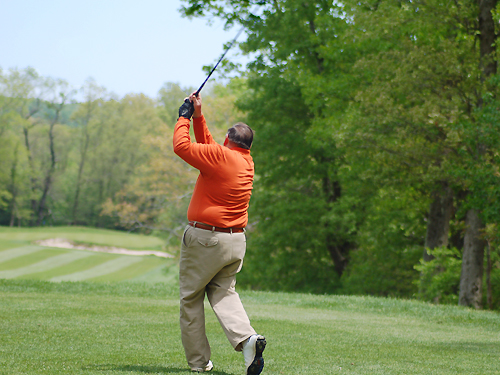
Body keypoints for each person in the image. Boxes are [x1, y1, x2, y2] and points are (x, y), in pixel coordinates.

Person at [173, 92, 266, 374]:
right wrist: (199, 116)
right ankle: (247, 339)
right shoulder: (245, 162)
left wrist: (183, 117)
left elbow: (181, 146)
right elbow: (210, 147)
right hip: (234, 242)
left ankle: (199, 363)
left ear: (228, 141)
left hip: (206, 241)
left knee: (191, 299)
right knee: (224, 293)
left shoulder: (220, 157)